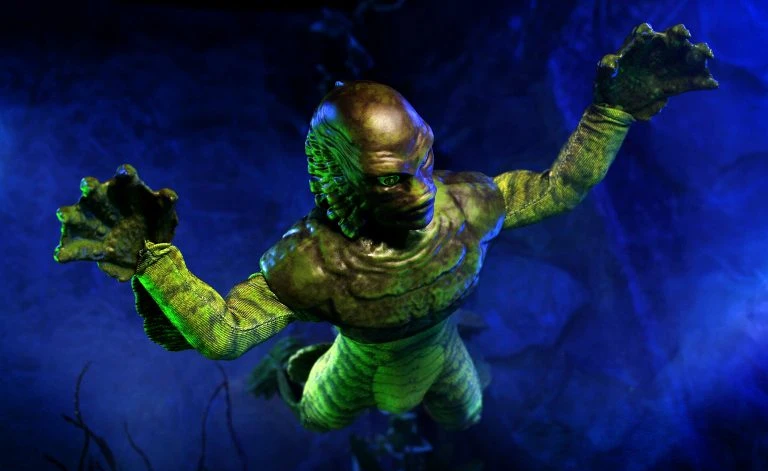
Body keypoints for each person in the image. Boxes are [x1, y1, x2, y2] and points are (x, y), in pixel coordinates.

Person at [54, 23, 717, 432]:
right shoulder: (308, 267)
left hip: (437, 347)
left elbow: (560, 187)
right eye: (391, 178)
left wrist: (611, 110)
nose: (423, 190)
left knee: (466, 415)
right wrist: (152, 261)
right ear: (342, 184)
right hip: (357, 361)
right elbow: (224, 335)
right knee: (318, 417)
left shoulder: (469, 206)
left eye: (424, 159)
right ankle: (301, 366)